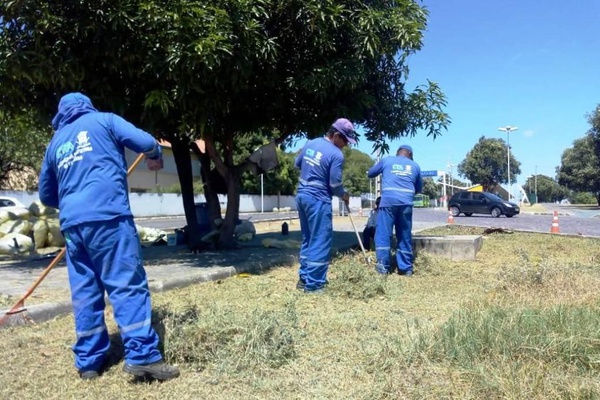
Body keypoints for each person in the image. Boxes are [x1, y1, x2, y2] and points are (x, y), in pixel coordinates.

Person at [38, 93, 180, 381]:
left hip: (73, 226)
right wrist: (154, 157)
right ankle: (142, 357)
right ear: (87, 106)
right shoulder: (105, 121)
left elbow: (46, 194)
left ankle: (89, 362)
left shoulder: (56, 144)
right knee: (126, 284)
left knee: (85, 291)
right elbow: (146, 142)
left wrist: (74, 200)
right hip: (109, 218)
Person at [294, 118, 357, 292]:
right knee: (320, 240)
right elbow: (335, 184)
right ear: (336, 135)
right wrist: (344, 195)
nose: (345, 144)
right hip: (318, 199)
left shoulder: (311, 143)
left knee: (308, 238)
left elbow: (296, 164)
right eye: (344, 140)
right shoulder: (336, 154)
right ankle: (315, 285)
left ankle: (304, 279)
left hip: (302, 196)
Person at [367, 145, 422, 276]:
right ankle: (406, 269)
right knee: (404, 235)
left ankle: (383, 267)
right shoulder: (415, 166)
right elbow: (419, 189)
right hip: (406, 203)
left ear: (398, 153)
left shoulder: (387, 160)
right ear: (410, 154)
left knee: (383, 234)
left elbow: (370, 173)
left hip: (388, 202)